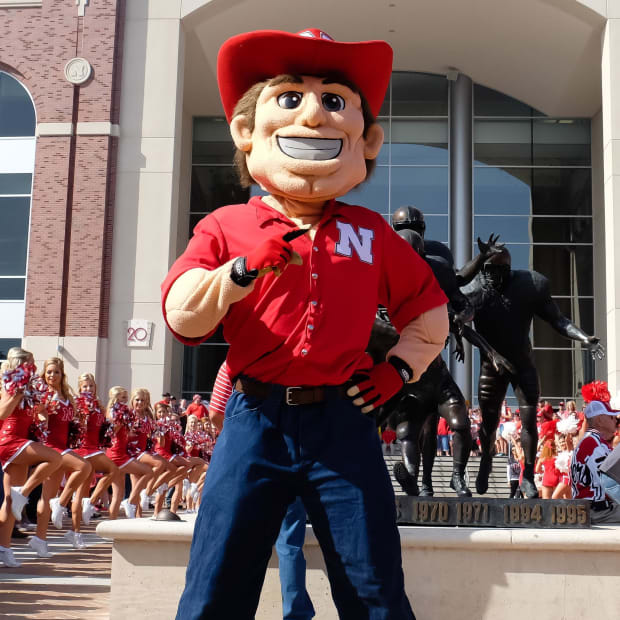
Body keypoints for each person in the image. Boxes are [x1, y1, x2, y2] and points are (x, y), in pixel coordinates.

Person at [164, 28, 449, 619]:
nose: (315, 117)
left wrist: (396, 373)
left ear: (365, 141)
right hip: (255, 416)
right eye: (290, 98)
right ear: (248, 132)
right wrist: (237, 273)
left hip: (342, 421)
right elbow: (182, 311)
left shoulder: (371, 232)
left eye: (334, 102)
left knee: (373, 586)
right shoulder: (226, 224)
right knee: (216, 580)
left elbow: (428, 311)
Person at [464, 246, 605, 498]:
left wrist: (584, 337)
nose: (490, 277)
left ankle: (528, 474)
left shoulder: (530, 285)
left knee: (529, 420)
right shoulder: (475, 288)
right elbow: (458, 320)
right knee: (488, 421)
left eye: (496, 271)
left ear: (507, 271)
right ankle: (486, 458)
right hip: (491, 365)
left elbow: (558, 320)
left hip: (522, 363)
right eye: (487, 271)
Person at [0, 348, 62, 567]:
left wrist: (43, 413)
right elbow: (2, 413)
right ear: (21, 365)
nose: (35, 368)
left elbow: (33, 413)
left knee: (9, 502)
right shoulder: (11, 384)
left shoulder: (27, 388)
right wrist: (17, 394)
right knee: (55, 459)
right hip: (10, 441)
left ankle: (4, 549)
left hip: (20, 441)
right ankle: (24, 494)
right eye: (32, 363)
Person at [36, 358, 92, 551]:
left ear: (62, 374)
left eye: (56, 372)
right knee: (84, 466)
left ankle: (40, 540)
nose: (52, 375)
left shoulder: (67, 394)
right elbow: (38, 414)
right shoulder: (43, 394)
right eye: (49, 372)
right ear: (44, 374)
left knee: (47, 495)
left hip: (64, 446)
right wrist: (42, 416)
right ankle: (60, 503)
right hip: (51, 448)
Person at [74, 373, 120, 523]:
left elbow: (105, 429)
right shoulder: (78, 403)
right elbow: (77, 426)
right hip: (84, 448)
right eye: (85, 386)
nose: (88, 388)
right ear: (80, 388)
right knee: (112, 469)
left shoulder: (99, 405)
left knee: (83, 490)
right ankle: (88, 503)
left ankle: (76, 532)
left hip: (94, 447)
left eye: (91, 385)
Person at [571, 391, 620, 523]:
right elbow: (608, 482)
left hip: (592, 509)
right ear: (599, 420)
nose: (615, 419)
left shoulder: (592, 441)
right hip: (597, 511)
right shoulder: (593, 443)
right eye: (611, 417)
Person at [105, 386, 153, 519]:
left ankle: (113, 526)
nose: (140, 403)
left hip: (126, 454)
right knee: (148, 474)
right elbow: (113, 432)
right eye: (137, 400)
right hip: (125, 454)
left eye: (143, 400)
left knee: (119, 494)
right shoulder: (123, 414)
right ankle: (130, 503)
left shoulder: (141, 415)